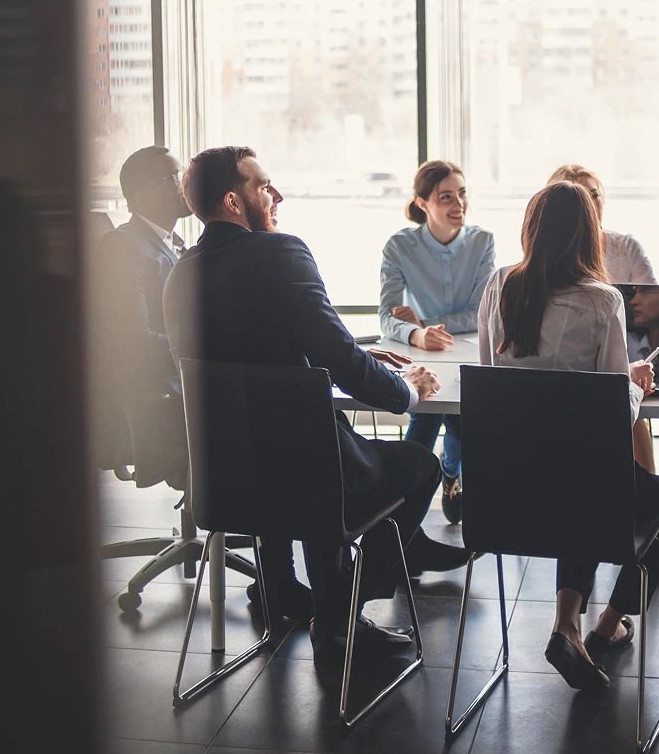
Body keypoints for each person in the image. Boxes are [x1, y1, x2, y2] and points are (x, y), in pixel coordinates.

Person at [163, 146, 470, 666]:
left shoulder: (180, 275)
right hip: (307, 478)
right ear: (233, 202)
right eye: (264, 186)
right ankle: (339, 612)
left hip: (226, 479)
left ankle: (288, 594)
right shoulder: (281, 252)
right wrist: (409, 392)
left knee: (310, 453)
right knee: (419, 466)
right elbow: (342, 364)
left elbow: (249, 351)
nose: (277, 195)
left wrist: (345, 354)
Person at [477, 181, 659, 691]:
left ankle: (567, 626)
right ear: (588, 235)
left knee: (583, 478)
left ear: (530, 229)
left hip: (506, 496)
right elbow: (615, 413)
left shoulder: (498, 284)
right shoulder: (601, 300)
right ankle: (608, 622)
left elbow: (489, 380)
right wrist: (634, 383)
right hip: (584, 493)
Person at [379, 161, 495, 524]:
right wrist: (415, 334)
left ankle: (445, 476)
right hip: (420, 355)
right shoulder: (399, 246)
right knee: (428, 412)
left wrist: (423, 324)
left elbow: (480, 313)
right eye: (446, 197)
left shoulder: (482, 242)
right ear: (423, 203)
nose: (459, 204)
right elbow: (387, 316)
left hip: (469, 354)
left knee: (462, 416)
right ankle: (403, 507)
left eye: (462, 193)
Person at [92, 146, 192, 490]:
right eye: (172, 177)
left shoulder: (173, 245)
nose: (183, 184)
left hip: (182, 388)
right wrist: (202, 348)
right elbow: (134, 343)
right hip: (158, 401)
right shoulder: (122, 246)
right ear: (140, 194)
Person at [547, 163, 658, 471]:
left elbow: (652, 303)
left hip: (629, 351)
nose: (590, 205)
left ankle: (641, 483)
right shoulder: (602, 296)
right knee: (625, 404)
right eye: (580, 199)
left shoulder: (625, 246)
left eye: (594, 195)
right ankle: (638, 488)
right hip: (582, 367)